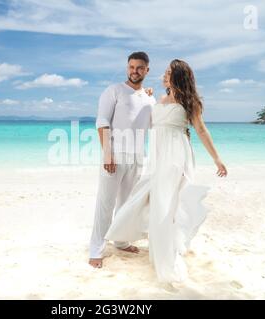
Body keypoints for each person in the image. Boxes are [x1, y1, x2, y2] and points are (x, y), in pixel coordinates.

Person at [105, 59, 228, 283]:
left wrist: (217, 159)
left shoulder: (191, 103)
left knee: (167, 204)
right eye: (165, 72)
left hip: (177, 157)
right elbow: (151, 122)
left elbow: (201, 130)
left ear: (179, 76)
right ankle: (147, 242)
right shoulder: (159, 99)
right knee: (153, 199)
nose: (164, 75)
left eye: (168, 73)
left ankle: (166, 254)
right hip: (158, 158)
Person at [88, 52, 156, 268]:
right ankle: (96, 249)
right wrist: (107, 153)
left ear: (147, 70)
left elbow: (153, 125)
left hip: (137, 157)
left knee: (126, 204)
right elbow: (102, 122)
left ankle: (121, 240)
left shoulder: (150, 98)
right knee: (105, 204)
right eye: (131, 67)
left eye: (139, 67)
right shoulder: (113, 91)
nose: (134, 71)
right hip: (114, 156)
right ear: (127, 67)